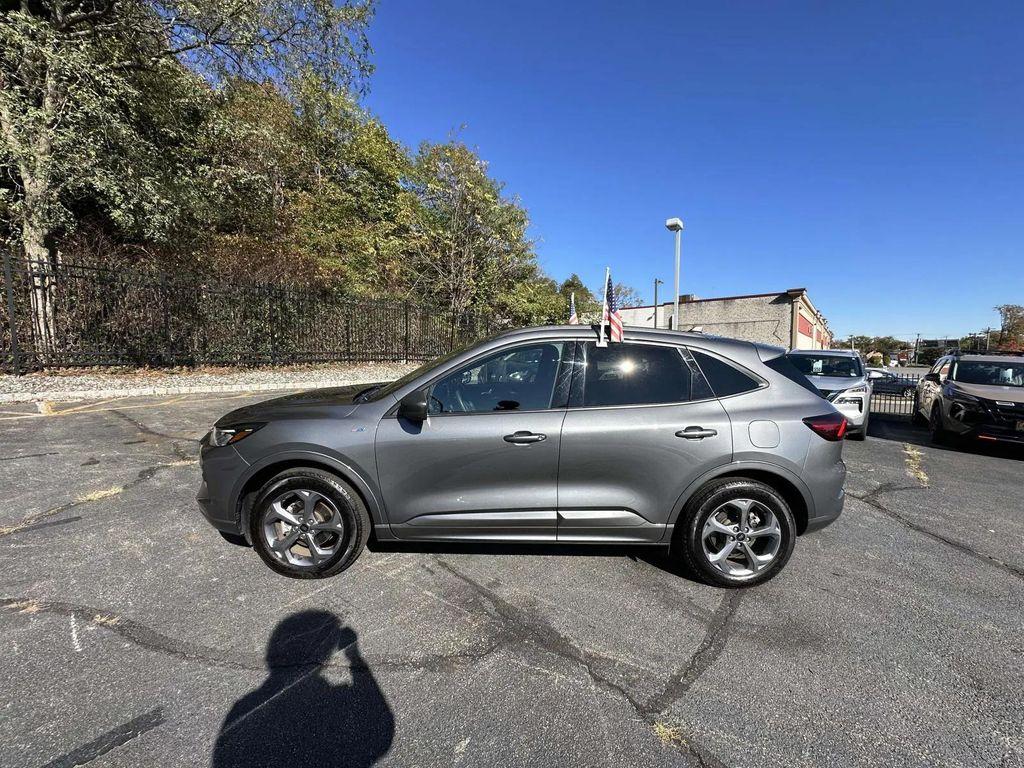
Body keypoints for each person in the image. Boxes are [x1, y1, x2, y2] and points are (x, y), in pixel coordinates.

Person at [212, 610, 394, 768]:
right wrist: (354, 657)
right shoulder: (245, 706)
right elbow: (380, 721)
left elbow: (381, 728)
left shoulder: (246, 706)